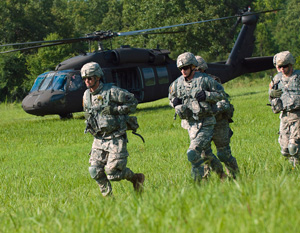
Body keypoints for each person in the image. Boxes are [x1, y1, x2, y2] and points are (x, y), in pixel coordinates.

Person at [81, 62, 145, 197]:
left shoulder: (112, 91)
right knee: (95, 171)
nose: (87, 81)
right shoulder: (86, 96)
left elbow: (133, 102)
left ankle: (136, 179)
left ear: (98, 77)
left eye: (90, 78)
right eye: (85, 79)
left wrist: (115, 110)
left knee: (113, 174)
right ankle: (109, 200)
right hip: (98, 139)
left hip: (116, 137)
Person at [168, 52, 227, 182]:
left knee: (193, 152)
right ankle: (222, 176)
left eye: (186, 68)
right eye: (181, 69)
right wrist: (174, 103)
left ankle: (198, 184)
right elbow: (170, 99)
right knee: (205, 154)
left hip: (206, 122)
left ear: (193, 66)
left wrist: (207, 95)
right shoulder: (176, 84)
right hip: (191, 124)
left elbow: (222, 94)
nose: (183, 71)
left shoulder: (205, 80)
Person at [195, 55, 239, 179]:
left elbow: (224, 101)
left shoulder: (213, 81)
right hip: (202, 124)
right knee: (204, 155)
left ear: (203, 70)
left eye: (198, 70)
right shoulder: (188, 85)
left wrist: (211, 106)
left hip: (218, 122)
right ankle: (210, 180)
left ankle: (235, 177)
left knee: (223, 154)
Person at [269, 51, 300, 167]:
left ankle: (296, 169)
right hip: (284, 116)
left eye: (285, 66)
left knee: (294, 146)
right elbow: (270, 98)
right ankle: (294, 165)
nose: (282, 69)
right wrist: (271, 94)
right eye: (279, 67)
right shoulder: (276, 79)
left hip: (297, 116)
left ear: (291, 65)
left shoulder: (298, 77)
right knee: (285, 150)